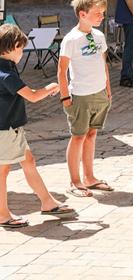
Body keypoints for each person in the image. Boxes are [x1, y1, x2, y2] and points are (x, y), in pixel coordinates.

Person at [0, 24, 75, 228]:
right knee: (2, 171)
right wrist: (50, 88)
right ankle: (3, 215)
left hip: (12, 127)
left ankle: (47, 202)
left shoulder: (7, 68)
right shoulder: (6, 74)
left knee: (28, 161)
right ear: (12, 46)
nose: (22, 53)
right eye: (21, 48)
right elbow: (32, 96)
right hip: (5, 130)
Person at [57, 0, 114, 197]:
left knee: (92, 134)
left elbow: (103, 63)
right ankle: (75, 181)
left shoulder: (98, 36)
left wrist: (108, 89)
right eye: (98, 13)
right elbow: (61, 70)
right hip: (80, 95)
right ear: (83, 14)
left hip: (99, 94)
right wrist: (65, 97)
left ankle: (90, 178)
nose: (102, 16)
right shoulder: (71, 40)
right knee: (78, 137)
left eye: (102, 13)